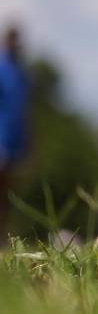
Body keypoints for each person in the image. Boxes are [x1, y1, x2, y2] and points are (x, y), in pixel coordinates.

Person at [0, 22, 29, 238]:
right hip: (1, 136)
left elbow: (24, 109)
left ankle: (3, 236)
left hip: (15, 138)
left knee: (8, 192)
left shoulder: (21, 73)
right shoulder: (2, 67)